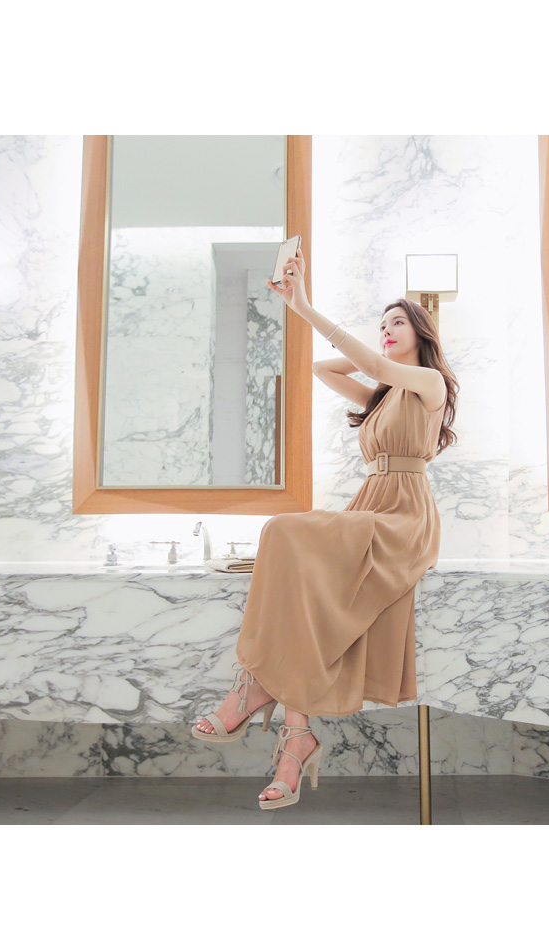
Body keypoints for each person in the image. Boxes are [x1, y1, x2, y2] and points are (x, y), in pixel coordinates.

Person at [191, 246, 458, 810]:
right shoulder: (384, 396)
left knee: (285, 532)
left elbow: (379, 368)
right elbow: (324, 369)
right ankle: (297, 735)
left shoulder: (429, 384)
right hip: (372, 502)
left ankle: (256, 689)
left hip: (404, 515)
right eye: (381, 325)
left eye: (397, 323)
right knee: (292, 558)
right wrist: (369, 355)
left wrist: (304, 306)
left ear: (422, 333)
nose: (386, 331)